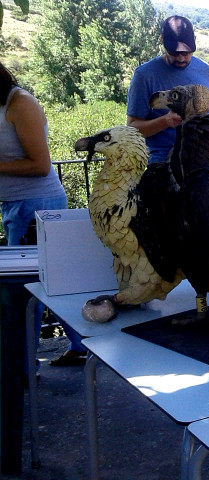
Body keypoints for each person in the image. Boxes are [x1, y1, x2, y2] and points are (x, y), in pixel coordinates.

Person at [0, 62, 82, 366]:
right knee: (50, 282)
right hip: (15, 206)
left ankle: (23, 365)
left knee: (31, 288)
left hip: (37, 206)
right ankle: (80, 346)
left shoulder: (20, 103)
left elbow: (41, 165)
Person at [127, 15, 209, 164]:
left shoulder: (206, 71)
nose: (181, 58)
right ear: (162, 40)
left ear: (194, 40)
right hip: (164, 164)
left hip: (205, 159)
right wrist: (165, 121)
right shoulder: (144, 75)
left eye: (186, 53)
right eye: (174, 52)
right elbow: (132, 128)